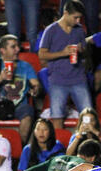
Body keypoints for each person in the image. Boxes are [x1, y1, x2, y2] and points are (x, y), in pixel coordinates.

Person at [38, 0, 93, 130]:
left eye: (80, 17)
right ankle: (59, 148)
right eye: (75, 17)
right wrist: (63, 53)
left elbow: (85, 53)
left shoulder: (79, 30)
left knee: (88, 116)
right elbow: (42, 55)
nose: (78, 20)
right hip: (58, 80)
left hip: (78, 78)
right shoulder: (50, 30)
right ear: (65, 13)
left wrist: (81, 50)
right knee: (57, 117)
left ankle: (87, 145)